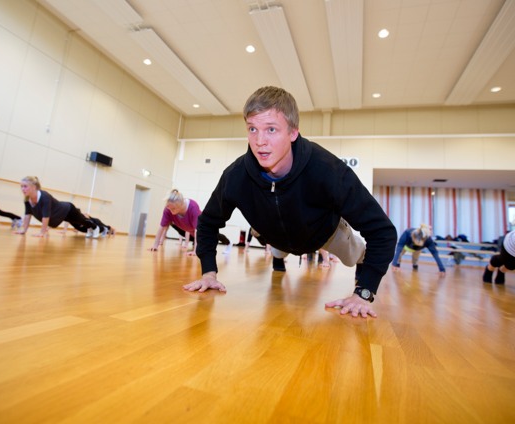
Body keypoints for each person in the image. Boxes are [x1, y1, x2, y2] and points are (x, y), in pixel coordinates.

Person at [182, 86, 397, 318]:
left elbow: (382, 231)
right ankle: (278, 260)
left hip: (325, 232)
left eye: (271, 129)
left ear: (293, 132)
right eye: (252, 129)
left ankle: (360, 267)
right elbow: (208, 222)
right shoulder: (236, 176)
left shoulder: (328, 170)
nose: (259, 141)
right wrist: (209, 273)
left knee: (357, 255)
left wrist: (364, 292)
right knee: (276, 249)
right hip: (277, 237)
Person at [148, 189, 229, 255]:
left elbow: (198, 230)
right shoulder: (168, 209)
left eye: (173, 209)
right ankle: (196, 244)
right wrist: (155, 245)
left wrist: (195, 250)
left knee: (214, 236)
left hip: (202, 229)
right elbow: (162, 226)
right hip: (188, 229)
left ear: (180, 204)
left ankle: (228, 243)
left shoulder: (193, 207)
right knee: (192, 237)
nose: (171, 211)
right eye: (169, 208)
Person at [15, 176, 100, 238]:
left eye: (25, 186)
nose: (22, 189)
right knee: (79, 223)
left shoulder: (44, 197)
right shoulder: (27, 199)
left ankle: (95, 227)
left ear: (34, 187)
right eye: (21, 186)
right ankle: (90, 227)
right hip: (59, 215)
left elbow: (46, 217)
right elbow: (27, 215)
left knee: (81, 220)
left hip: (67, 209)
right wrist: (24, 230)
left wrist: (42, 232)